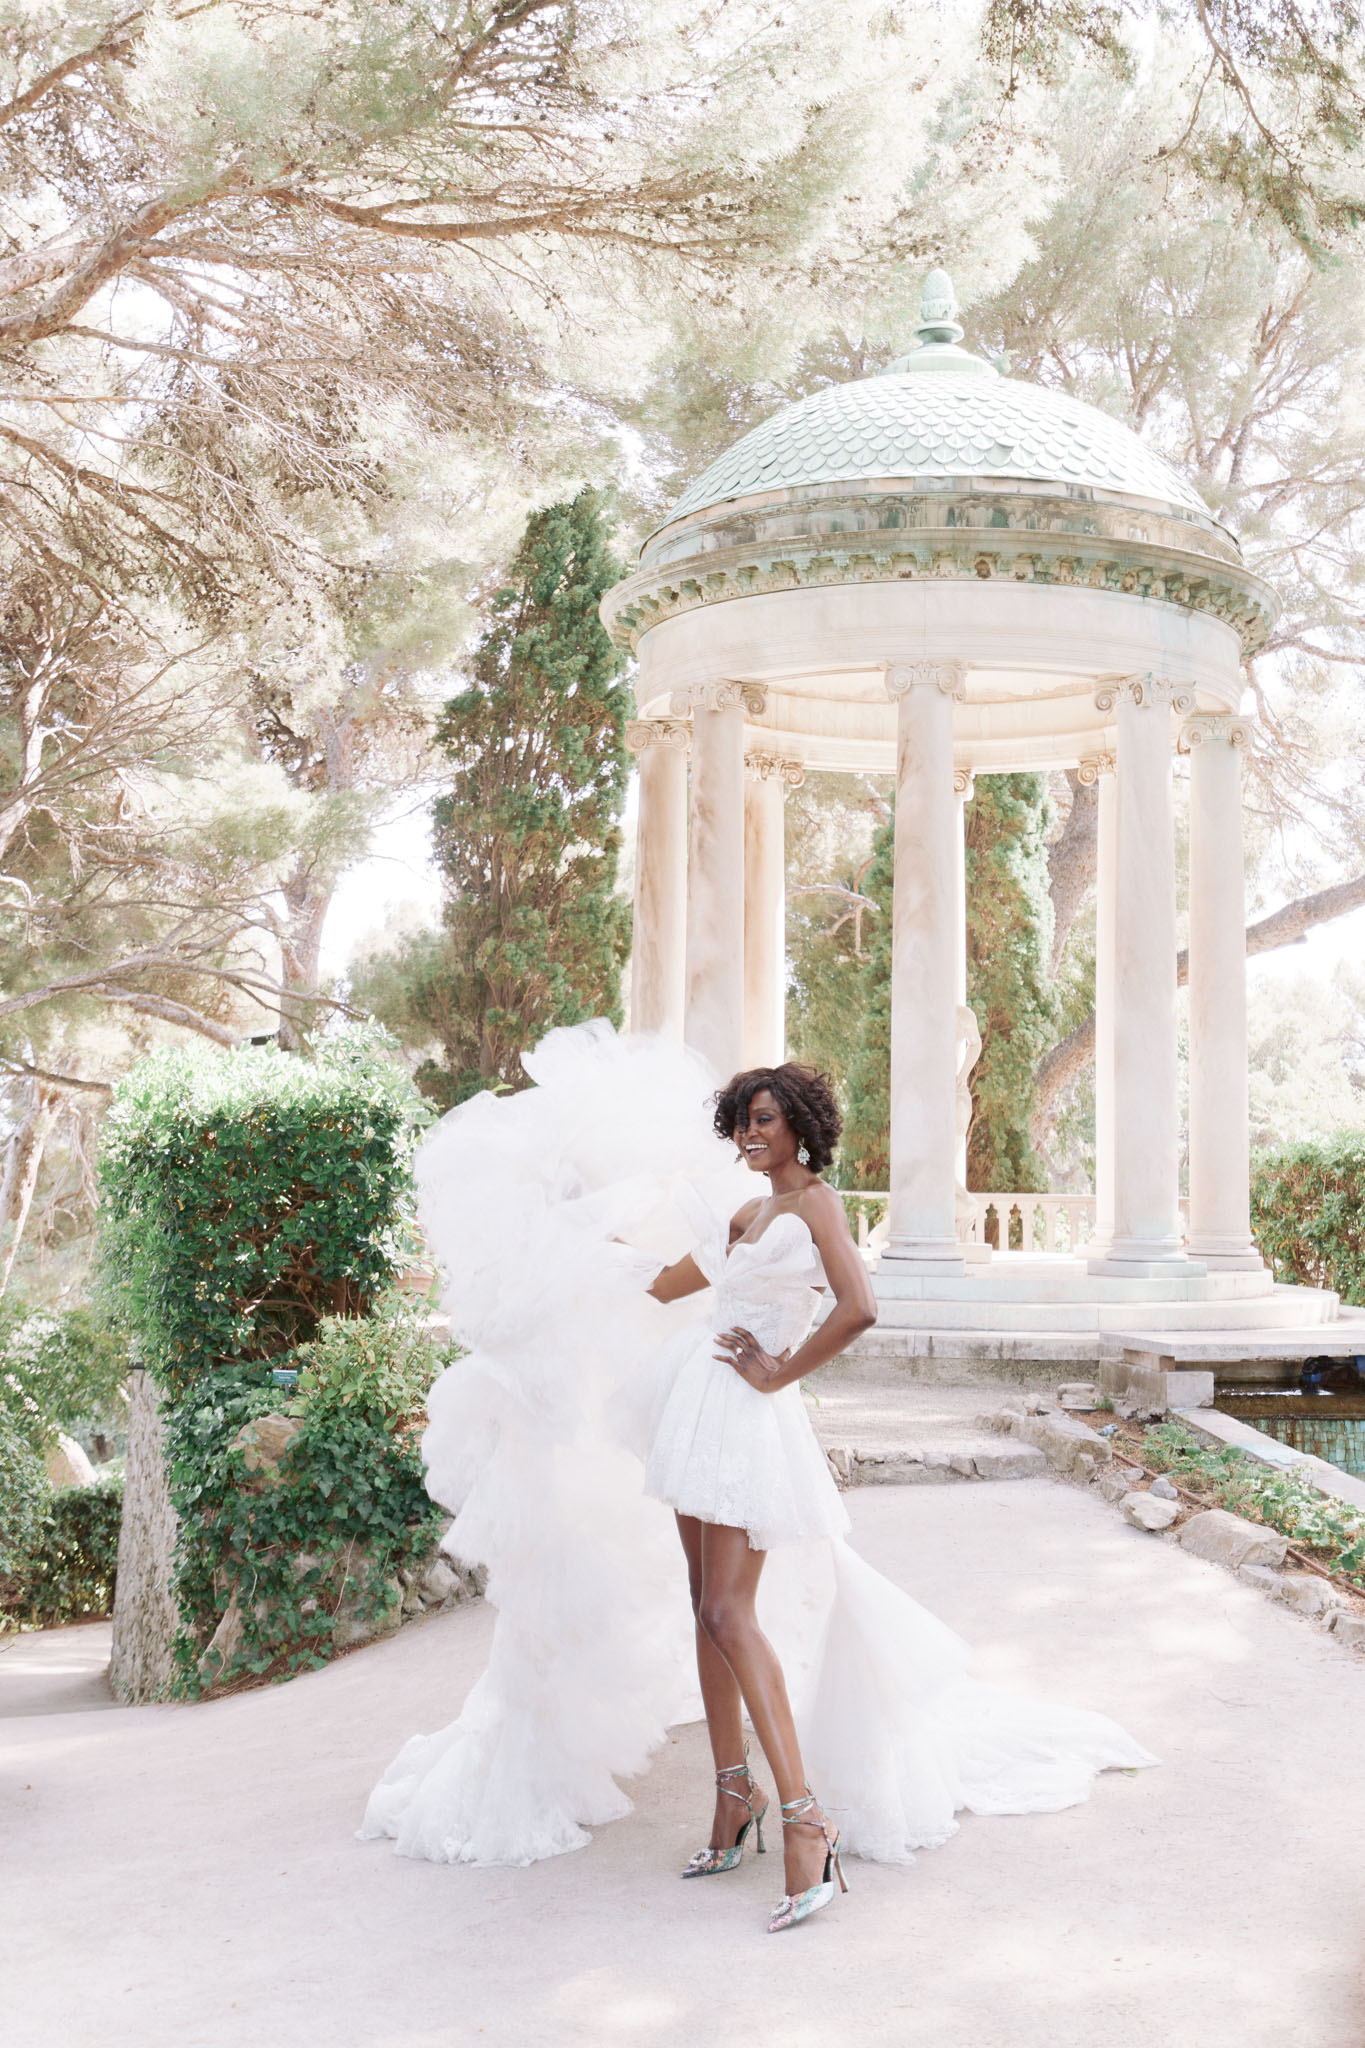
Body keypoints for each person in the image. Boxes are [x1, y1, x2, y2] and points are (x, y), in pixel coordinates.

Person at [360, 1022, 1154, 1932]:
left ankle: (805, 1819)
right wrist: (577, 1230)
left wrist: (780, 1370)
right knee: (706, 1606)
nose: (748, 1133)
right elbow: (665, 1287)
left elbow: (860, 1307)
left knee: (733, 1613)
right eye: (739, 1120)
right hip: (692, 1408)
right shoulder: (742, 1217)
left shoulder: (815, 1205)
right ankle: (732, 1797)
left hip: (745, 1415)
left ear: (799, 1126)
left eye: (764, 1119)